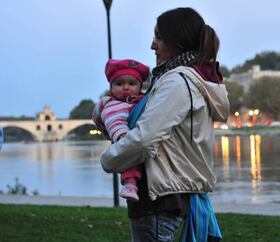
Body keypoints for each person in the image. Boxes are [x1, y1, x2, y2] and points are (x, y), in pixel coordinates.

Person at [98, 7, 229, 242]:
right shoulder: (178, 79)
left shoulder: (176, 82)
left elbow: (145, 138)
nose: (152, 45)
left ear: (175, 40)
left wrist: (108, 159)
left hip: (160, 197)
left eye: (158, 37)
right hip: (169, 194)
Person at [93, 59, 149, 201]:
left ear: (140, 86)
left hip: (141, 145)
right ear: (111, 88)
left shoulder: (144, 101)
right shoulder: (112, 105)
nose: (125, 87)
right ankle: (129, 184)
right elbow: (112, 121)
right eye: (119, 84)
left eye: (131, 83)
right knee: (130, 163)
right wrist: (121, 136)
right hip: (125, 141)